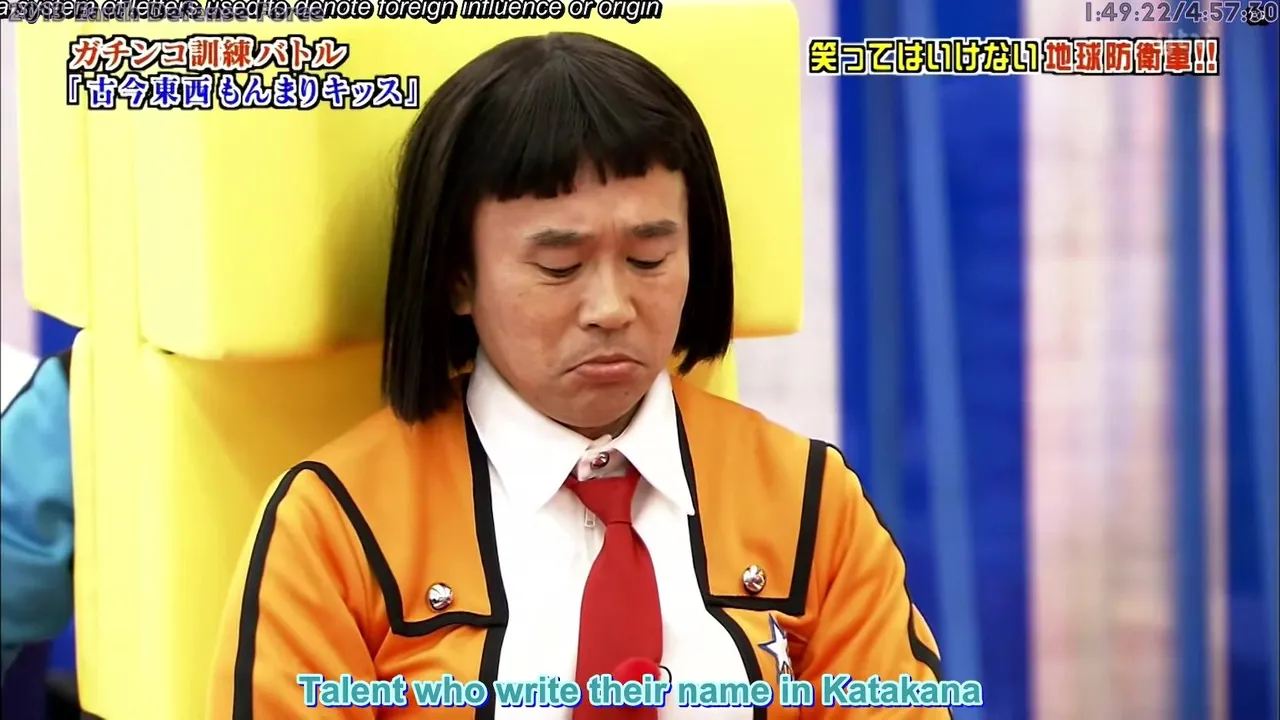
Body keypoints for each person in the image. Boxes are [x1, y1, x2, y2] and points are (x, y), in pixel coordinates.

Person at [208, 31, 946, 719]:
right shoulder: (336, 525)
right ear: (458, 275)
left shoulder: (809, 502)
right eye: (559, 266)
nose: (611, 307)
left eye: (650, 258)